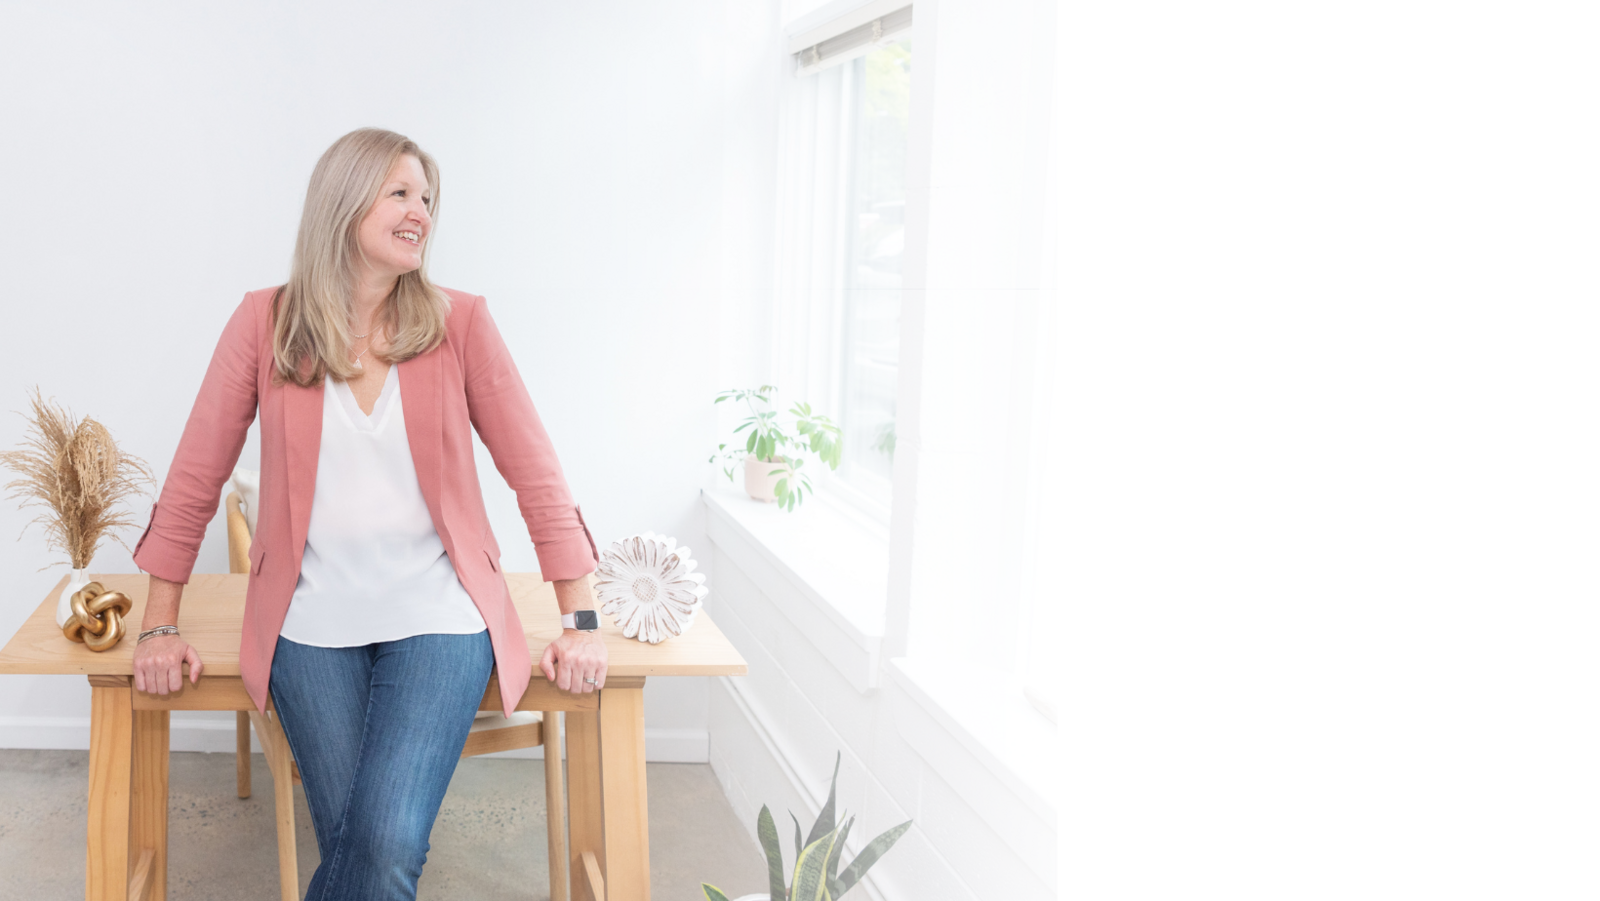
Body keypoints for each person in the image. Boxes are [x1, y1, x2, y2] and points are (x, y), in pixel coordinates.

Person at [127, 127, 606, 900]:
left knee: (380, 841)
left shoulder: (460, 323)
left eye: (427, 197)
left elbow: (536, 472)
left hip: (441, 616)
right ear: (345, 203)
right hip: (308, 623)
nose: (421, 210)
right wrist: (159, 622)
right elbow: (195, 473)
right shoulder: (264, 322)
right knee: (364, 846)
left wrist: (581, 621)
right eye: (401, 193)